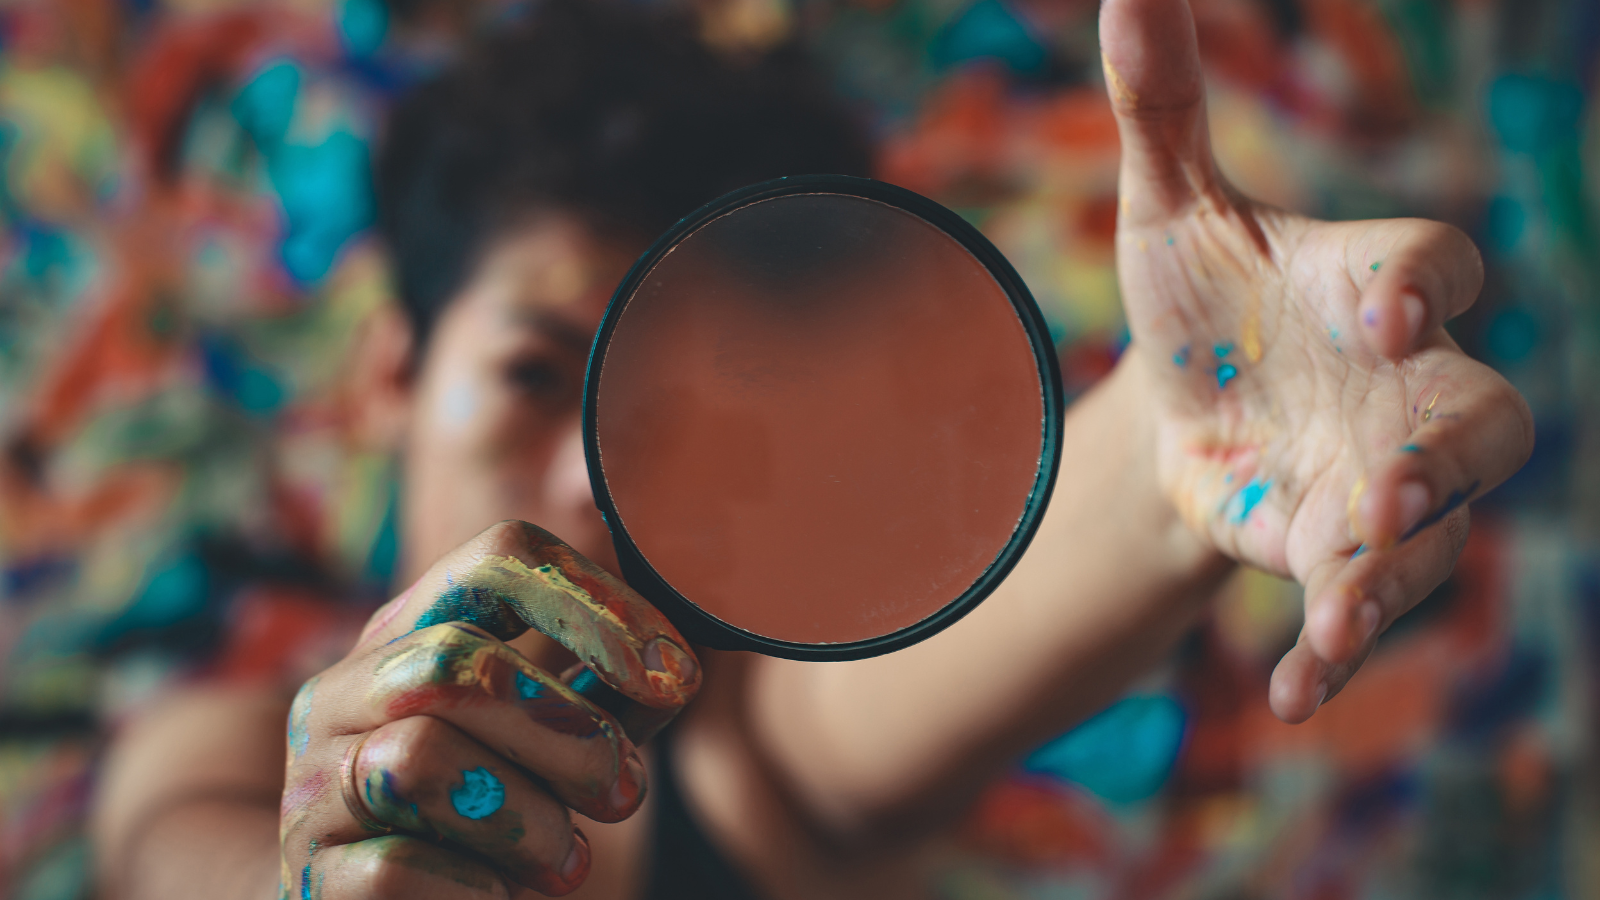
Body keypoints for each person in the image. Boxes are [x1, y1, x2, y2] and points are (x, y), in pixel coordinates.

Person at [89, 0, 1534, 897]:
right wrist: (318, 866)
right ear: (391, 374)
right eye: (537, 373)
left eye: (688, 421)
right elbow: (184, 860)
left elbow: (892, 710)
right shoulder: (207, 749)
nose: (593, 481)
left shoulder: (770, 755)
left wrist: (1179, 435)